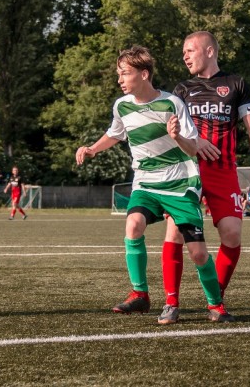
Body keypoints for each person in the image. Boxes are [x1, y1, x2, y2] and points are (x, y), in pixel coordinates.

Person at [76, 45, 236, 324]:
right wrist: (92, 149)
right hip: (146, 183)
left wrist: (177, 137)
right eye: (119, 74)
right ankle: (140, 294)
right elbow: (115, 134)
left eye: (125, 73)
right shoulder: (121, 106)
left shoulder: (172, 103)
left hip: (181, 184)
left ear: (144, 74)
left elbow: (192, 148)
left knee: (198, 254)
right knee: (133, 225)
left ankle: (216, 306)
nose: (120, 80)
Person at [158, 32, 250, 324]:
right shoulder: (182, 89)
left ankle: (214, 297)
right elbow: (171, 132)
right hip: (187, 172)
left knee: (232, 234)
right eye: (183, 51)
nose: (185, 55)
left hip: (223, 171)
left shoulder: (236, 84)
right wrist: (194, 141)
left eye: (190, 50)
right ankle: (171, 302)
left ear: (209, 51)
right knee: (175, 232)